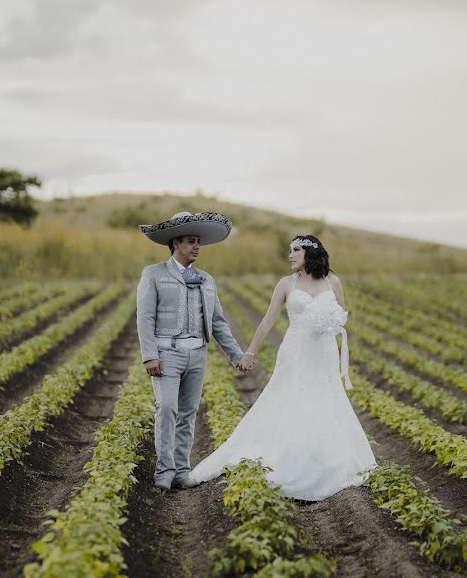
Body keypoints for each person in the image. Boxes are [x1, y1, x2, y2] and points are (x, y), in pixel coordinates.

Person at [190, 234, 378, 501]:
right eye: (289, 250)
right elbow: (268, 320)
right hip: (296, 350)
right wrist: (250, 351)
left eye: (296, 250)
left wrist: (330, 322)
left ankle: (326, 457)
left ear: (310, 253)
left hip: (324, 352)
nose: (290, 255)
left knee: (326, 399)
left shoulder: (332, 282)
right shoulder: (286, 284)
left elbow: (341, 315)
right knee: (291, 398)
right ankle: (288, 455)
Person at [136, 211, 250, 491]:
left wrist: (236, 355)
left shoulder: (206, 280)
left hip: (198, 354)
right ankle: (164, 472)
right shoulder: (153, 274)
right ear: (175, 243)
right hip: (166, 354)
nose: (197, 246)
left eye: (198, 241)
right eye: (190, 241)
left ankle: (181, 471)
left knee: (188, 413)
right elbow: (145, 317)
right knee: (166, 408)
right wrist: (150, 355)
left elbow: (218, 322)